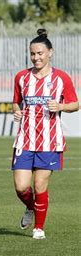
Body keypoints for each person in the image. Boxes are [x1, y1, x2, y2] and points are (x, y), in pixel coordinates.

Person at [12, 29, 79, 240]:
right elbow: (16, 101)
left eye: (40, 53)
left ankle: (38, 228)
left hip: (50, 141)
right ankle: (31, 208)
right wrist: (16, 110)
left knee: (40, 185)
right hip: (25, 139)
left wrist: (60, 105)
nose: (36, 57)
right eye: (32, 53)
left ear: (50, 52)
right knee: (21, 186)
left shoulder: (61, 78)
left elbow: (75, 104)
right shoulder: (22, 77)